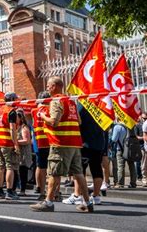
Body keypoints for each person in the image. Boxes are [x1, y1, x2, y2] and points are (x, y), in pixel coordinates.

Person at [30, 76, 92, 213]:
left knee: (54, 173)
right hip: (75, 143)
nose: (47, 88)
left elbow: (54, 121)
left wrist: (42, 116)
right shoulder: (70, 101)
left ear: (54, 86)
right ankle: (88, 202)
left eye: (48, 85)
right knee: (78, 173)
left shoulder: (56, 101)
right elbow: (79, 121)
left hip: (61, 143)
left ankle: (48, 202)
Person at [63, 102, 106, 206]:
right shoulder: (102, 105)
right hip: (99, 143)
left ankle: (77, 195)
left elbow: (76, 120)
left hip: (85, 143)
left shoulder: (82, 105)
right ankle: (96, 196)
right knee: (96, 169)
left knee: (79, 170)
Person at [0, 92, 20, 201]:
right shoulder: (11, 112)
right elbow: (12, 129)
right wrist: (15, 143)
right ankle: (9, 191)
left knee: (0, 166)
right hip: (6, 142)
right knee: (10, 166)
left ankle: (0, 191)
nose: (17, 101)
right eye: (16, 99)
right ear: (12, 99)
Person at [31, 91, 51, 200]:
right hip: (49, 141)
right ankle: (53, 192)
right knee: (51, 168)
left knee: (40, 166)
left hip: (37, 142)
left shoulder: (34, 110)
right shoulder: (49, 109)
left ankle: (40, 188)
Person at [112, 122, 137, 188]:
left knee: (120, 167)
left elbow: (114, 139)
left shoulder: (117, 127)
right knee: (132, 166)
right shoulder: (131, 126)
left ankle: (120, 183)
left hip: (120, 149)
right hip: (130, 149)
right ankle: (133, 183)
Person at [17, 110, 32, 196]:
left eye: (16, 117)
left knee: (23, 171)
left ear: (20, 118)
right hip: (19, 153)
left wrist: (16, 142)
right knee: (19, 171)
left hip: (24, 153)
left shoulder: (24, 128)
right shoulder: (17, 127)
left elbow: (27, 141)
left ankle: (22, 190)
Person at [142, 115, 147, 187]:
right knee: (146, 165)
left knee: (146, 165)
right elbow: (145, 137)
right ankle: (146, 181)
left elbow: (145, 137)